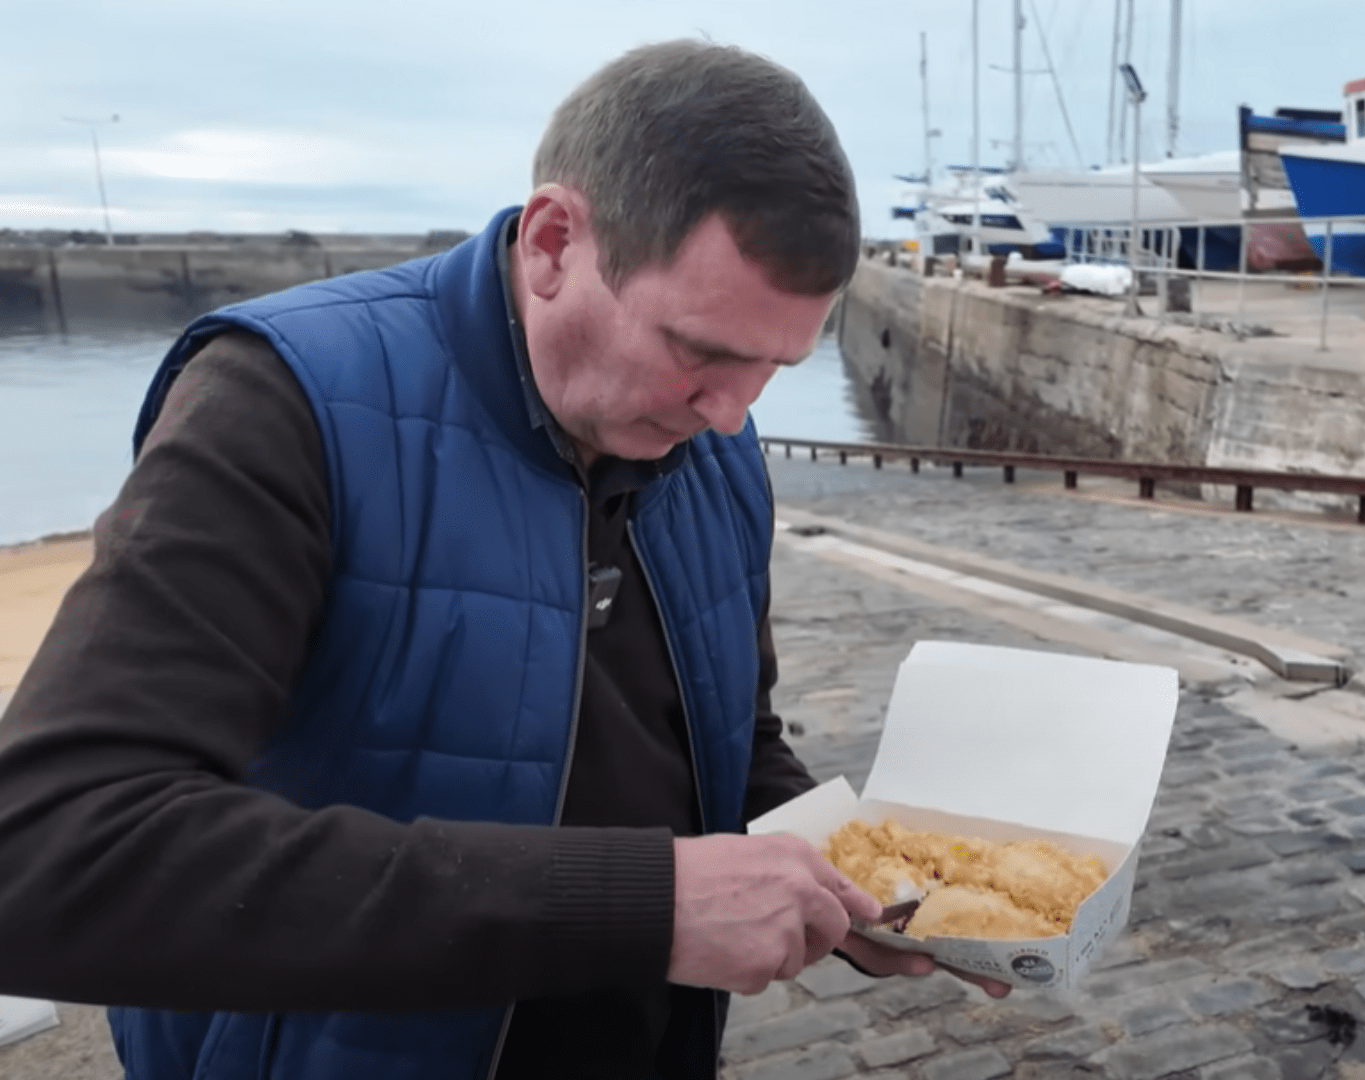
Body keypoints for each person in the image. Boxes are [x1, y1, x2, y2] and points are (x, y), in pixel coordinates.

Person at [0, 39, 1003, 1080]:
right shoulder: (282, 406)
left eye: (773, 368)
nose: (730, 413)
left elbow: (724, 742)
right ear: (554, 242)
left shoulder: (716, 442)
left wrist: (859, 884)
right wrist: (642, 908)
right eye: (699, 350)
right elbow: (48, 851)